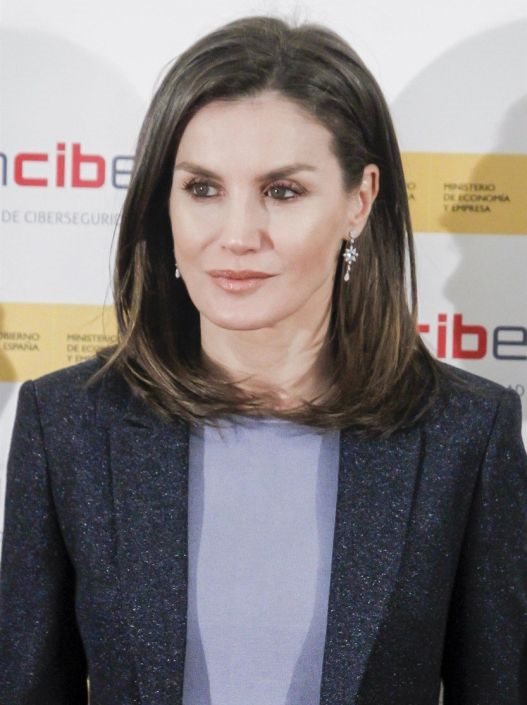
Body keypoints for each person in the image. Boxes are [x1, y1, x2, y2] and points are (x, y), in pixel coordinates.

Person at [0, 14, 526, 705]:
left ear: (359, 200)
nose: (238, 234)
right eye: (203, 188)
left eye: (282, 191)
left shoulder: (465, 433)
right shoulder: (67, 423)